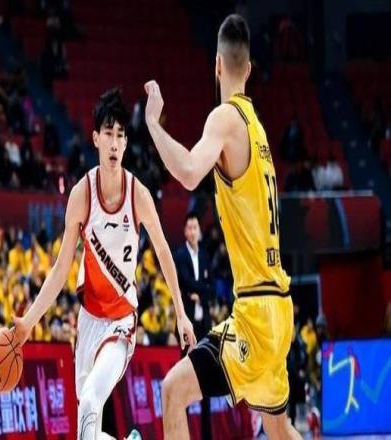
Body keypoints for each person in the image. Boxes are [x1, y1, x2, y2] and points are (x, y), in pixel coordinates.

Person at [144, 14, 301, 439]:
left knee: (173, 390)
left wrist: (154, 125)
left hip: (255, 312)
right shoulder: (258, 130)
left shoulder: (225, 118)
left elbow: (189, 171)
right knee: (279, 428)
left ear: (217, 65)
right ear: (247, 69)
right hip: (280, 308)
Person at [14, 88, 196, 440]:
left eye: (120, 135)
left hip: (121, 323)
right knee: (88, 430)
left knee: (90, 403)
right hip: (88, 321)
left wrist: (181, 313)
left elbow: (163, 252)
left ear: (126, 143)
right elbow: (61, 268)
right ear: (96, 138)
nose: (114, 143)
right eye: (108, 134)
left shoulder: (138, 194)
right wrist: (28, 322)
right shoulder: (82, 194)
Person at [173, 211, 213, 439]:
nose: (192, 231)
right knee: (185, 378)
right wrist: (200, 289)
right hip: (187, 326)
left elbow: (211, 287)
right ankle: (183, 434)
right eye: (189, 228)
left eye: (195, 227)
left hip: (204, 325)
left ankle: (207, 435)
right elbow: (185, 281)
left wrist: (199, 292)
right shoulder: (180, 255)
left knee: (206, 379)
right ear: (185, 231)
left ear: (199, 230)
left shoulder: (205, 256)